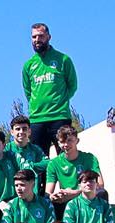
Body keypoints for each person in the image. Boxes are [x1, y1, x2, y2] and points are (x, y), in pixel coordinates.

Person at [21, 22, 79, 152]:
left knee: (66, 156)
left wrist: (59, 100)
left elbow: (72, 85)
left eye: (40, 36)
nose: (37, 40)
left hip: (59, 117)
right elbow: (28, 91)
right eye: (34, 37)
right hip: (37, 119)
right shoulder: (28, 65)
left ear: (48, 37)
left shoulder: (63, 60)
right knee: (39, 162)